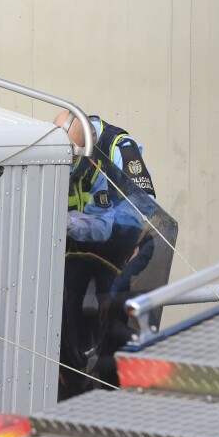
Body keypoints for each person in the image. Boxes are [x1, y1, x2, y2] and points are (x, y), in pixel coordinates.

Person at [55, 110, 158, 398]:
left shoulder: (118, 148)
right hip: (86, 250)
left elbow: (142, 208)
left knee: (112, 317)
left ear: (87, 145)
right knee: (71, 318)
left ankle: (115, 392)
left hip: (126, 248)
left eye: (75, 160)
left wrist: (84, 223)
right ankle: (76, 386)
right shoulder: (70, 151)